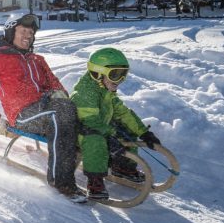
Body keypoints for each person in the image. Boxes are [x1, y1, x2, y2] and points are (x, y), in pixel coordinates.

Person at [0, 13, 85, 200]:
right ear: (9, 32)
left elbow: (56, 84)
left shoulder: (37, 59)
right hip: (23, 114)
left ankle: (82, 157)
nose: (28, 36)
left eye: (31, 33)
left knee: (74, 110)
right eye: (23, 31)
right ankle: (61, 181)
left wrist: (59, 94)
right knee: (59, 114)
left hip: (46, 107)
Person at [69, 47, 161, 200]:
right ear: (97, 73)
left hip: (100, 129)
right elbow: (91, 122)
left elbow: (123, 113)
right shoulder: (84, 94)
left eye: (123, 75)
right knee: (96, 140)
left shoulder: (106, 91)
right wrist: (110, 137)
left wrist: (143, 132)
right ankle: (94, 181)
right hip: (81, 134)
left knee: (125, 130)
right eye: (115, 75)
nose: (120, 80)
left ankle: (123, 167)